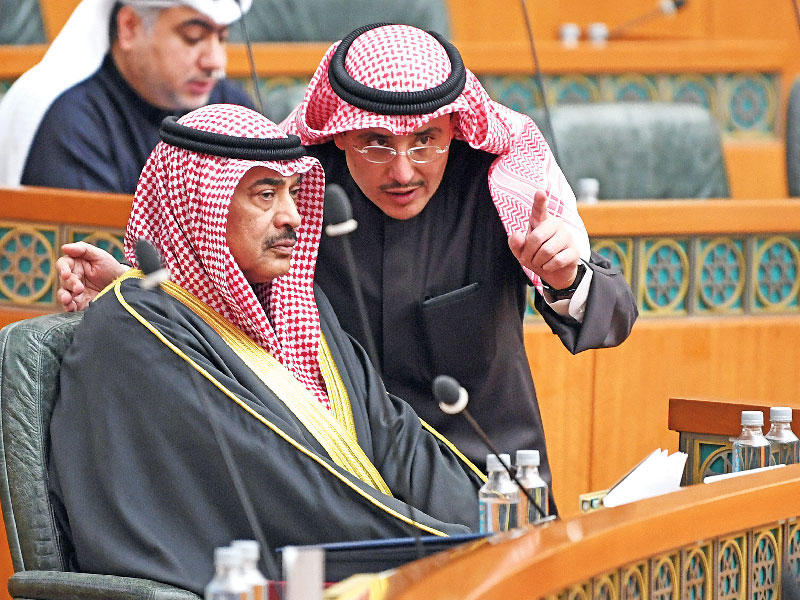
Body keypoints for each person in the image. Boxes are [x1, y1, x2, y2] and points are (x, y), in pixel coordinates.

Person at [55, 24, 638, 511]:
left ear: (455, 129)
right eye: (376, 142)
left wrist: (566, 279)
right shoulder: (300, 187)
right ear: (338, 131)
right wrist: (136, 288)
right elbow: (225, 289)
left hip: (487, 485)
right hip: (339, 490)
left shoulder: (496, 181)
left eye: (426, 141)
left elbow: (614, 318)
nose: (403, 170)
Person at [49, 104, 482, 595]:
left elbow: (392, 436)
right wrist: (448, 549)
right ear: (197, 207)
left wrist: (494, 521)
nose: (292, 216)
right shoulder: (139, 330)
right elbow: (282, 485)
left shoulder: (297, 306)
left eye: (294, 192)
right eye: (265, 195)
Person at [0, 0, 254, 192]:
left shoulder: (227, 104)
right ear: (129, 27)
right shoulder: (70, 118)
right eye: (193, 38)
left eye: (222, 38)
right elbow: (97, 242)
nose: (215, 62)